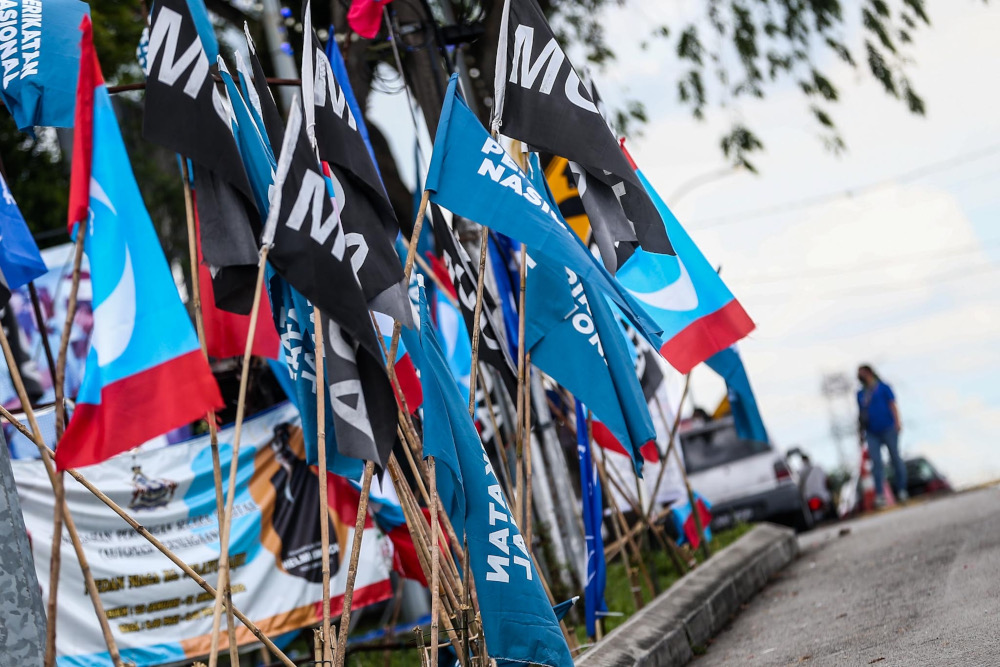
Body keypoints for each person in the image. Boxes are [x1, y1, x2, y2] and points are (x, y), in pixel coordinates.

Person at [857, 364, 907, 507]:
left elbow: (892, 404)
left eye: (861, 373)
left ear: (869, 372)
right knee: (876, 463)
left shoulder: (883, 387)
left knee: (895, 459)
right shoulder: (860, 393)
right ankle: (880, 495)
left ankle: (902, 490)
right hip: (871, 432)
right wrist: (860, 433)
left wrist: (897, 422)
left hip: (888, 428)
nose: (860, 377)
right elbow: (860, 415)